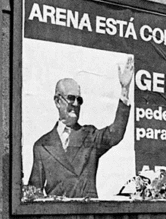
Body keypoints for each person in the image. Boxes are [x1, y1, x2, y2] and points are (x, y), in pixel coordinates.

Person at [26, 57, 134, 199]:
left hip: (87, 215)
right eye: (71, 98)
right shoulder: (42, 145)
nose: (76, 104)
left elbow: (115, 134)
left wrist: (125, 90)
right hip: (57, 216)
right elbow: (34, 192)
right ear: (58, 101)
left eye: (79, 100)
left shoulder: (90, 135)